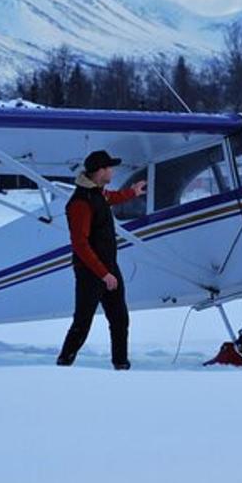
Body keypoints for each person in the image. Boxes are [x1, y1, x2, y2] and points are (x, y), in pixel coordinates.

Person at [56, 149, 147, 370]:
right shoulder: (80, 202)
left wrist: (132, 192)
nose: (112, 171)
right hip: (91, 272)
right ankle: (63, 364)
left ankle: (121, 365)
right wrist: (103, 273)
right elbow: (80, 244)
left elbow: (110, 198)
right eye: (109, 167)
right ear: (99, 171)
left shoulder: (98, 193)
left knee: (120, 319)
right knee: (83, 323)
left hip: (108, 269)